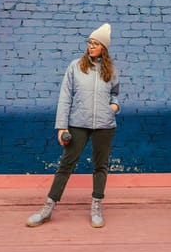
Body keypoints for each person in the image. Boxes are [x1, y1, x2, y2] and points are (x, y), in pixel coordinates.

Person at [26, 23, 120, 228]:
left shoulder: (111, 70)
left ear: (104, 47)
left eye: (96, 43)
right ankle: (47, 208)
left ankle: (96, 206)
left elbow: (115, 94)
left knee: (100, 165)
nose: (91, 46)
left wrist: (113, 106)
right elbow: (65, 97)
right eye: (89, 42)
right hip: (78, 123)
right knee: (65, 165)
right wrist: (62, 127)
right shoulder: (75, 66)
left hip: (105, 125)